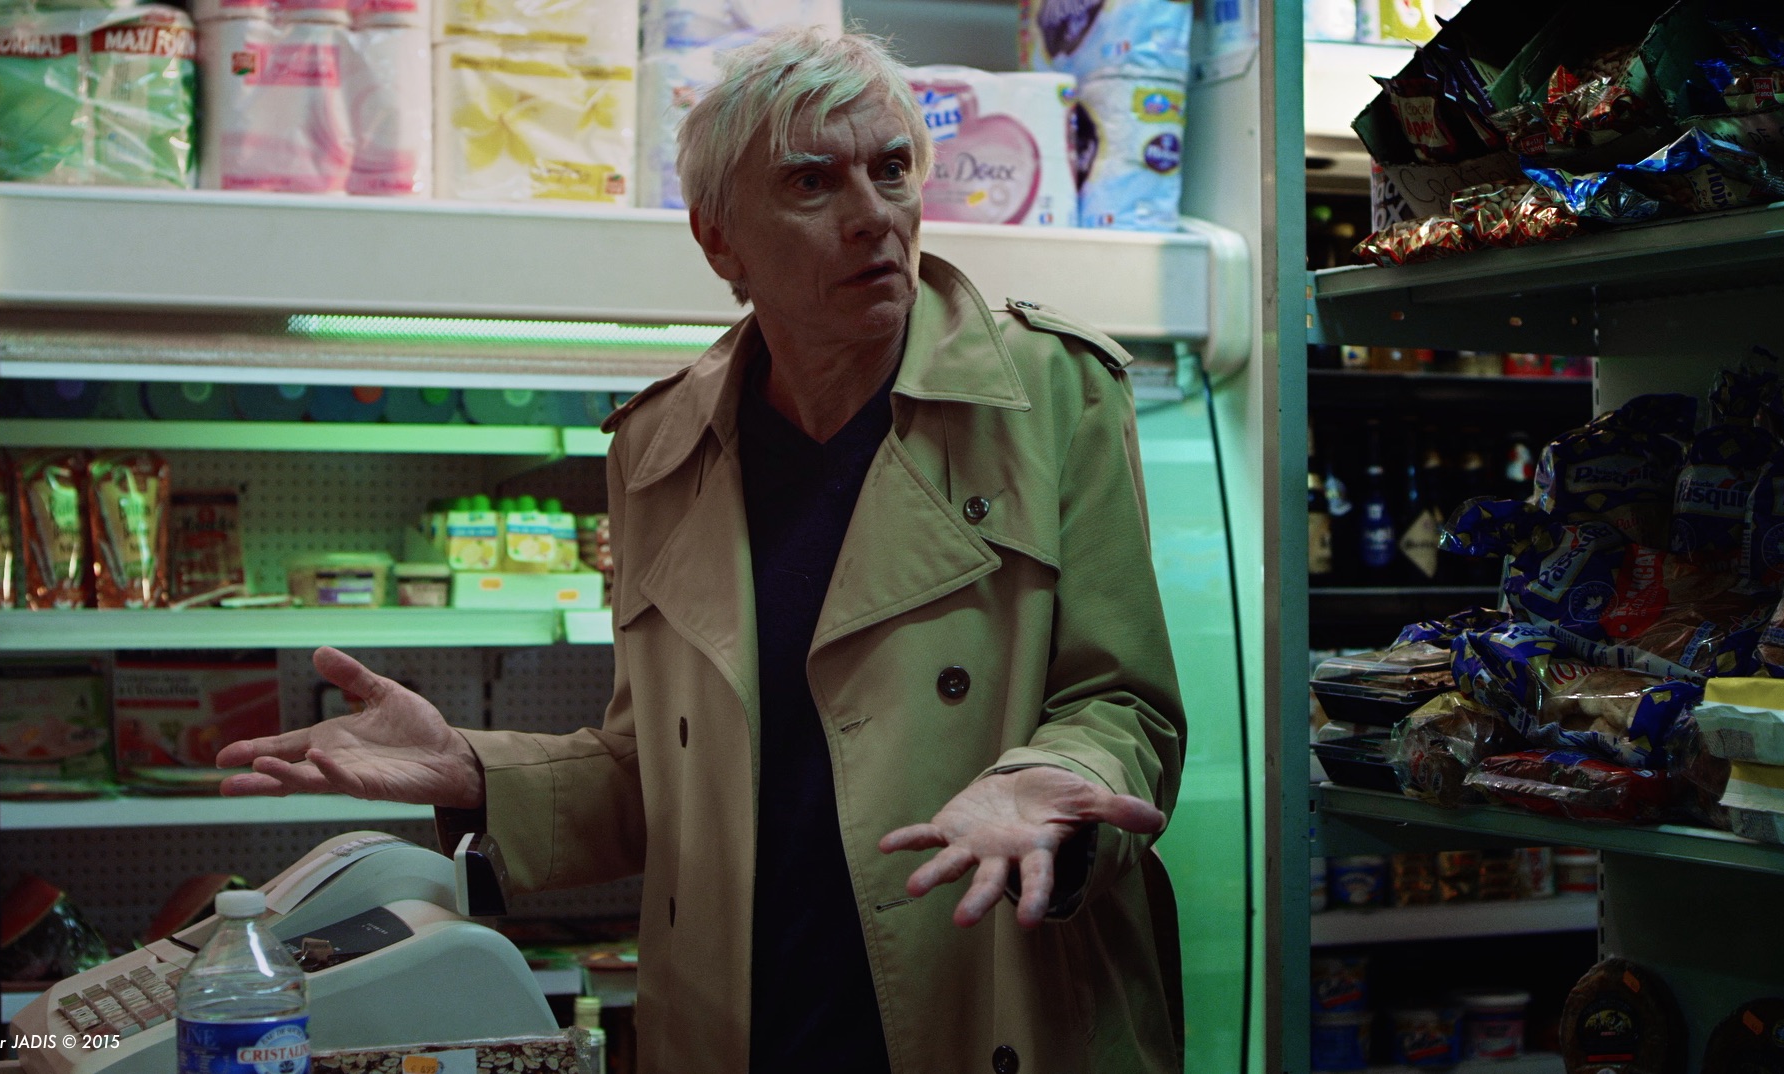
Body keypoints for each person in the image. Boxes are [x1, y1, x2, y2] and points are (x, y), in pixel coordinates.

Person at [218, 26, 1187, 1074]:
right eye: (811, 182)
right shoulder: (658, 447)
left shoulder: (1052, 395)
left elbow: (1121, 702)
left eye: (891, 169)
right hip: (745, 1020)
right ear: (720, 242)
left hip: (988, 991)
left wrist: (1051, 776)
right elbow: (659, 775)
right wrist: (471, 768)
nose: (873, 214)